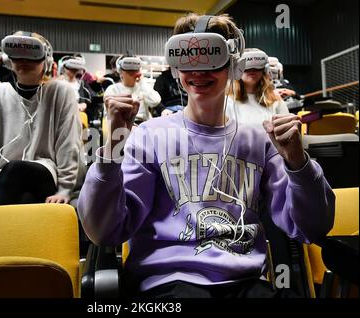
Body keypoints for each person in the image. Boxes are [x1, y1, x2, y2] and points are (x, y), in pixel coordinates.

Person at [77, 14, 334, 298]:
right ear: (176, 67)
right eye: (187, 59)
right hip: (168, 283)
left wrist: (298, 164)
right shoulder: (148, 136)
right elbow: (104, 232)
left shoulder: (259, 141)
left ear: (233, 65)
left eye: (212, 57)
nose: (198, 72)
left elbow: (312, 228)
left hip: (246, 281)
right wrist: (112, 148)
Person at [0, 31, 83, 207]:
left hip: (48, 177)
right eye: (17, 55)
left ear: (46, 61)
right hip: (4, 179)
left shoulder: (61, 92)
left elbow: (69, 144)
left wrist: (65, 188)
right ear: (8, 59)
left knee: (17, 168)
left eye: (32, 56)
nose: (24, 61)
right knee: (23, 199)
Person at [226, 48, 289, 130]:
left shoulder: (275, 101)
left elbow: (286, 130)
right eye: (247, 66)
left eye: (257, 66)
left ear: (265, 69)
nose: (252, 70)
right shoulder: (226, 101)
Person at [104, 54, 161, 124]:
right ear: (120, 72)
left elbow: (155, 102)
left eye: (134, 70)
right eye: (128, 71)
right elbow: (109, 116)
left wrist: (141, 81)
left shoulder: (143, 87)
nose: (132, 73)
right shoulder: (113, 89)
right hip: (122, 125)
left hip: (143, 124)